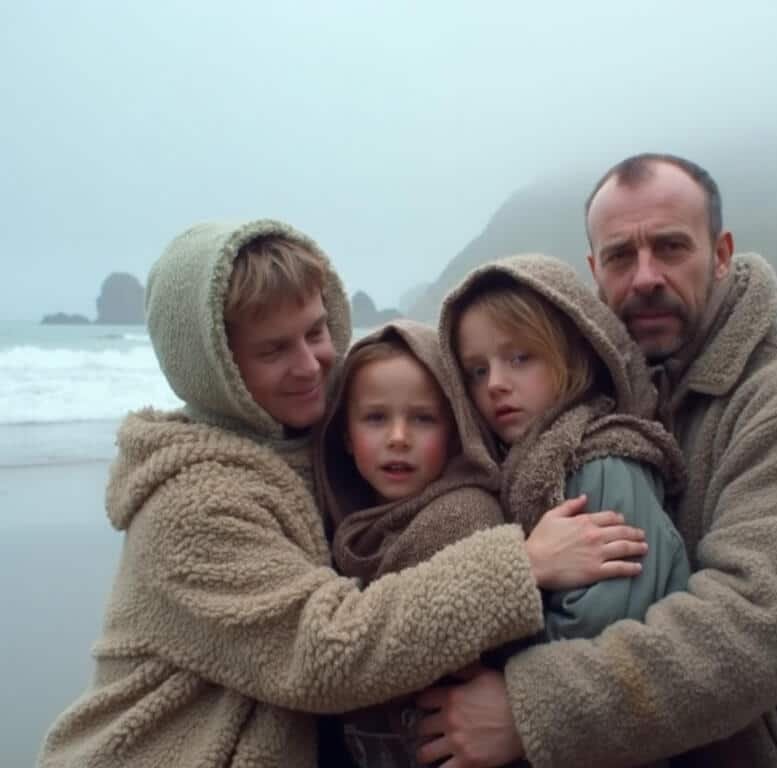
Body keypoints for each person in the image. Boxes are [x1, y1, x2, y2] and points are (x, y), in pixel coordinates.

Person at [37, 219, 650, 768]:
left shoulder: (312, 452)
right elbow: (324, 649)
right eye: (274, 349)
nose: (310, 365)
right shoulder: (190, 504)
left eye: (315, 331)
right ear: (215, 369)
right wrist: (523, 563)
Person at [415, 155, 777, 767]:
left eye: (670, 247)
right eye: (619, 257)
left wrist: (525, 709)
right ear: (593, 271)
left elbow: (756, 631)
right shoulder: (608, 402)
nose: (644, 277)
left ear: (720, 253)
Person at [439, 253, 690, 642]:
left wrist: (487, 661)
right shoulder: (514, 466)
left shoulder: (605, 465)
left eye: (520, 358)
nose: (495, 384)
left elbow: (601, 625)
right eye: (477, 370)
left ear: (575, 357)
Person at [312, 319, 507, 767]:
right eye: (376, 417)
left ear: (455, 429)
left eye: (423, 418)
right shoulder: (346, 531)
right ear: (344, 433)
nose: (398, 438)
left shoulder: (465, 519)